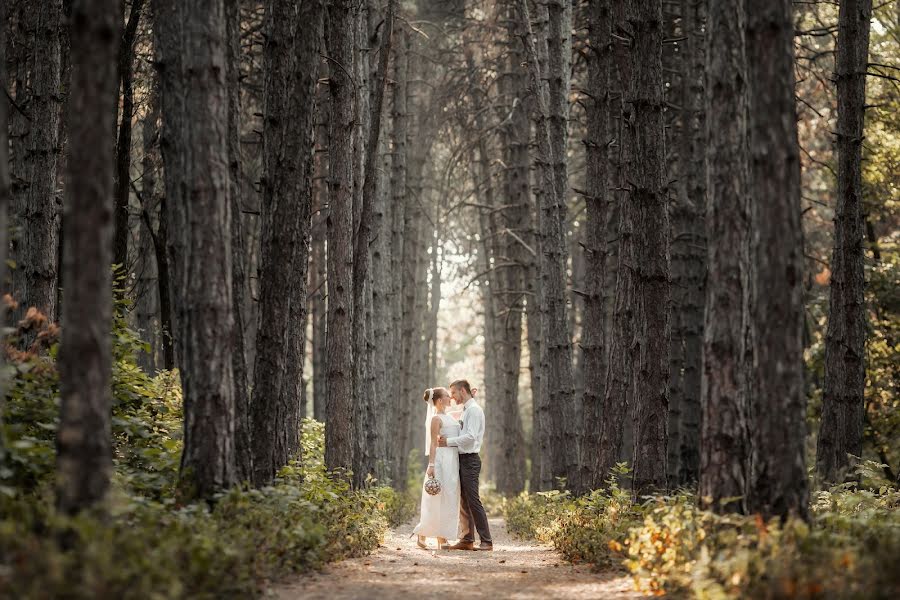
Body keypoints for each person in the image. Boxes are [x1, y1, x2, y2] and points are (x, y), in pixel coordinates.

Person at [438, 379, 493, 551]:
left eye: (453, 393)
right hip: (462, 459)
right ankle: (467, 538)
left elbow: (470, 437)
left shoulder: (474, 411)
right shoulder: (467, 409)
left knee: (473, 500)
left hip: (470, 460)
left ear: (462, 390)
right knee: (463, 500)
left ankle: (487, 541)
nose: (452, 397)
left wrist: (448, 442)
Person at [412, 387, 461, 550]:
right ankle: (423, 533)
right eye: (448, 396)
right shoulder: (436, 419)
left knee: (450, 495)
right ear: (440, 400)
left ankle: (443, 535)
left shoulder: (451, 417)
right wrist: (431, 465)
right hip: (440, 460)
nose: (451, 398)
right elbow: (433, 443)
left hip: (452, 460)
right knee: (436, 497)